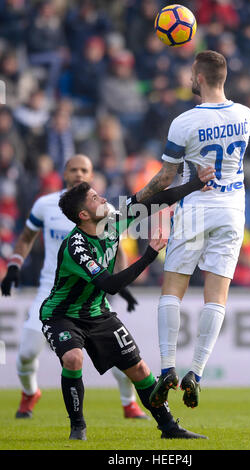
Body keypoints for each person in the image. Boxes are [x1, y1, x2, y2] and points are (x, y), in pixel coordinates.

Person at [39, 167, 214, 440]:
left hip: (97, 312)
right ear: (84, 215)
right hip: (62, 316)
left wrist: (194, 184)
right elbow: (110, 285)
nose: (103, 199)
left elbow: (155, 202)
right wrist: (148, 256)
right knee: (73, 359)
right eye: (95, 199)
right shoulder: (76, 246)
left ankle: (169, 428)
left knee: (141, 370)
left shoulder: (111, 221)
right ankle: (78, 427)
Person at [135, 50, 250, 409]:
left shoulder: (184, 122)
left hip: (196, 210)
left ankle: (168, 368)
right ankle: (196, 373)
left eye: (191, 73)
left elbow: (166, 177)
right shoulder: (246, 115)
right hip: (232, 211)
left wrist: (136, 201)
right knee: (216, 296)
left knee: (172, 289)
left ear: (199, 78)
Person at [1, 154, 148, 420]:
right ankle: (30, 393)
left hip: (93, 293)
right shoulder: (45, 205)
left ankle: (129, 403)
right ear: (64, 173)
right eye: (74, 169)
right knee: (25, 354)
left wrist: (122, 283)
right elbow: (25, 238)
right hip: (52, 292)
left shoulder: (103, 210)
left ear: (91, 175)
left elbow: (115, 247)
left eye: (85, 170)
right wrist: (14, 266)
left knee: (122, 355)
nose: (79, 174)